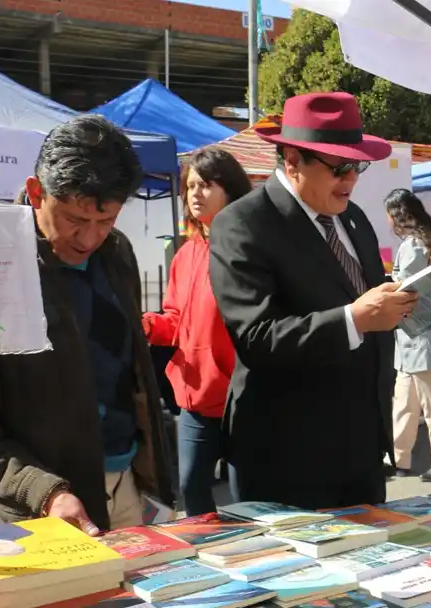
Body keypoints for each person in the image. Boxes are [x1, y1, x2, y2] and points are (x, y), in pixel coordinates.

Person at [0, 115, 176, 533]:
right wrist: (44, 492)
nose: (88, 238)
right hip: (37, 509)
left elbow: (129, 375)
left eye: (106, 221)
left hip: (128, 488)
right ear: (35, 192)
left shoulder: (117, 253)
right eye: (74, 220)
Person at [209, 92, 417, 510]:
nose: (351, 180)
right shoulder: (243, 224)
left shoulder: (353, 217)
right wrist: (354, 320)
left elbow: (363, 298)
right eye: (339, 168)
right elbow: (257, 336)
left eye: (357, 166)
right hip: (287, 457)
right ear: (291, 161)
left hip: (361, 450)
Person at [142, 147, 252, 516]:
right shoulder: (185, 253)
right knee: (191, 488)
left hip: (245, 397)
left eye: (206, 184)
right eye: (190, 185)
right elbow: (175, 320)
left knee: (248, 501)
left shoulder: (251, 248)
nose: (194, 193)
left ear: (231, 191)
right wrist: (144, 324)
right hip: (194, 397)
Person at [383, 188, 431, 482]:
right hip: (415, 338)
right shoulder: (427, 241)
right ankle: (397, 457)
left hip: (419, 335)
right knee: (404, 403)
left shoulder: (413, 245)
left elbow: (409, 287)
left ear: (398, 215)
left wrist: (388, 282)